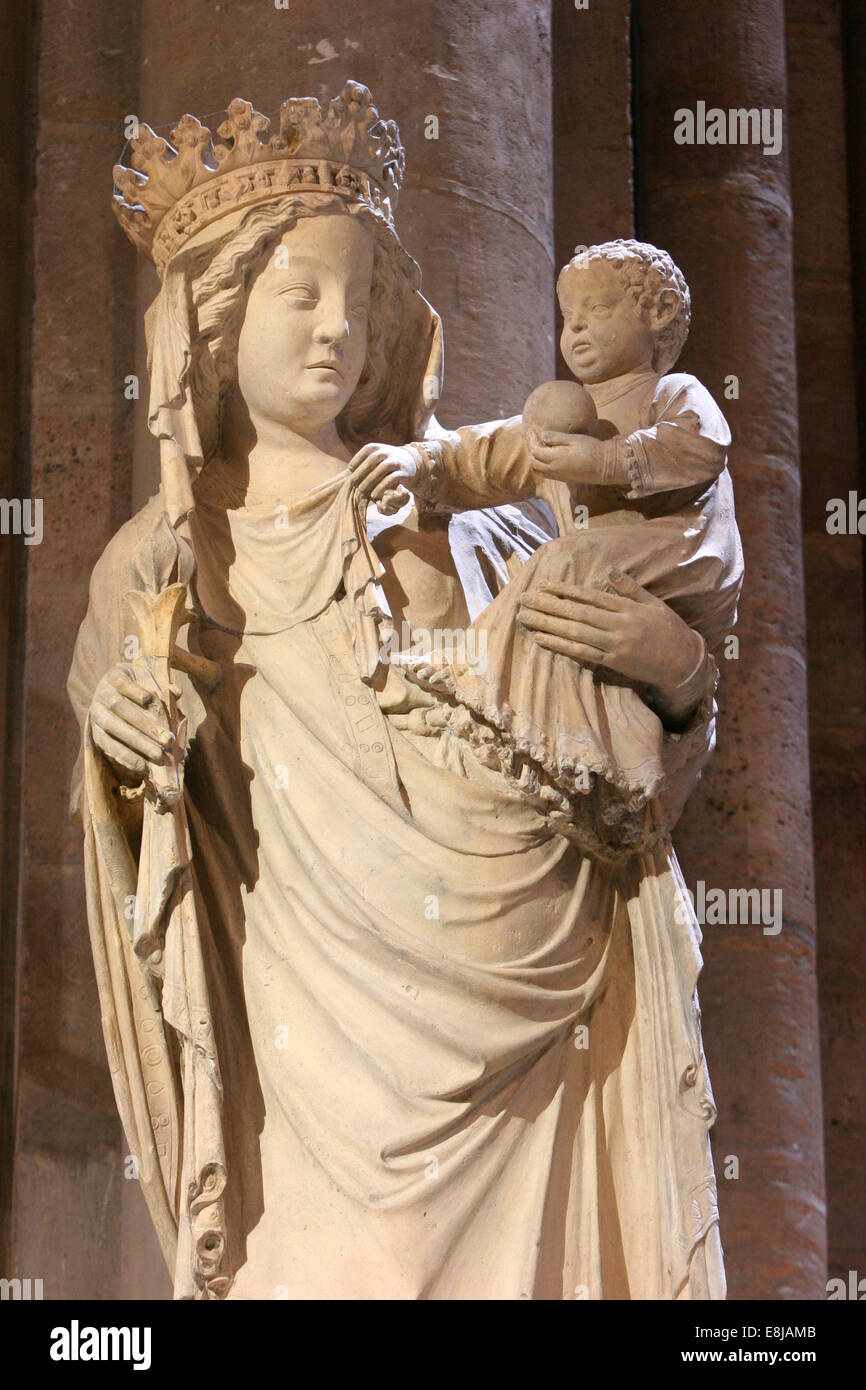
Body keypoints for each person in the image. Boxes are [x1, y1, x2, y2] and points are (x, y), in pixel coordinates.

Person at [69, 91, 733, 1299]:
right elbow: (136, 844)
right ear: (212, 325)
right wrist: (119, 757)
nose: (336, 331)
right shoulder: (165, 557)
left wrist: (675, 672)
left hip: (547, 1025)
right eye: (298, 295)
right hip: (313, 1058)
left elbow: (621, 791)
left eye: (356, 297)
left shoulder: (476, 524)